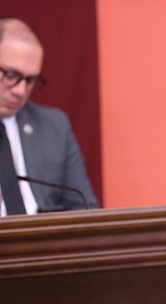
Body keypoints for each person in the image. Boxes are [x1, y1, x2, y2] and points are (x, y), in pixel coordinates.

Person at [0, 17, 98, 216]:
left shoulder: (54, 127)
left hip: (43, 234)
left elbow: (85, 210)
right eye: (10, 75)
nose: (20, 91)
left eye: (30, 80)